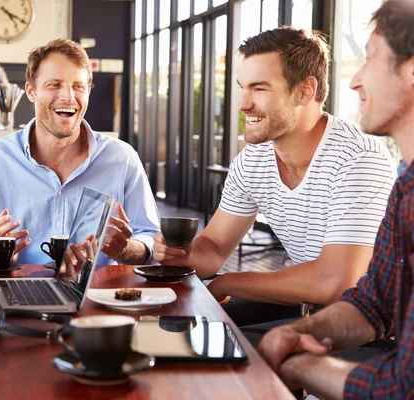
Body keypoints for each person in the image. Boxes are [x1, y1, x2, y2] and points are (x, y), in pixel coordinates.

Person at [153, 26, 396, 328]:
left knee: (233, 343)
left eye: (259, 88)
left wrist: (226, 282)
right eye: (242, 87)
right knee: (180, 324)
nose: (243, 103)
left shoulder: (358, 159)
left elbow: (337, 282)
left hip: (373, 321)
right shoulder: (253, 160)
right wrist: (182, 254)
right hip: (305, 303)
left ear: (305, 90)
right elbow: (213, 248)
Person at [258, 2, 414, 398]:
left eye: (371, 59)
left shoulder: (365, 161)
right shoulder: (406, 188)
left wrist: (301, 364)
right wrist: (296, 333)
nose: (354, 81)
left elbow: (402, 388)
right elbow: (373, 304)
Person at [0, 39, 159, 268]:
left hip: (98, 296)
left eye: (78, 86)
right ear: (31, 91)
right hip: (19, 291)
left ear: (88, 92)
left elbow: (150, 238)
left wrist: (125, 249)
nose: (68, 96)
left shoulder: (123, 158)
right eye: (54, 85)